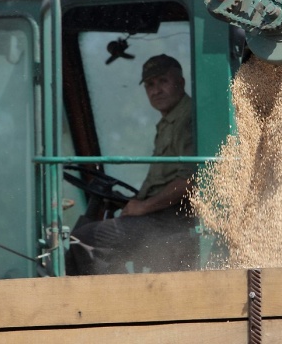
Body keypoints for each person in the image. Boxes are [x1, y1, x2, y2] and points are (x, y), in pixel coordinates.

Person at [66, 54, 197, 275]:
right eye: (150, 85)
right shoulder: (169, 121)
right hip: (160, 214)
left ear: (180, 82)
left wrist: (144, 207)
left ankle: (107, 304)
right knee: (84, 238)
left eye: (163, 81)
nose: (156, 90)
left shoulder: (188, 119)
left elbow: (190, 181)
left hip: (174, 219)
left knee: (85, 239)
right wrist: (133, 203)